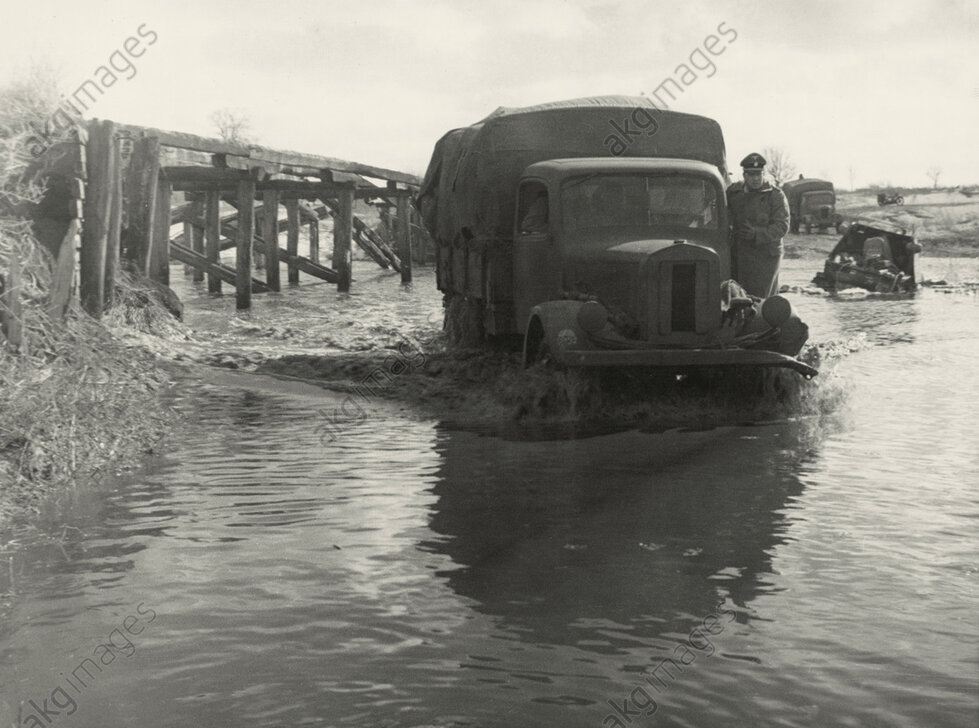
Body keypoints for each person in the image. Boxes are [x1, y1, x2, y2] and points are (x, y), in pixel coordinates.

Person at [726, 152, 790, 298]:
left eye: (759, 174)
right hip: (741, 254)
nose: (756, 178)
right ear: (744, 175)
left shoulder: (775, 195)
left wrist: (756, 233)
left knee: (762, 298)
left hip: (766, 257)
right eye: (751, 174)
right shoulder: (734, 193)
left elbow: (782, 226)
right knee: (738, 296)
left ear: (763, 174)